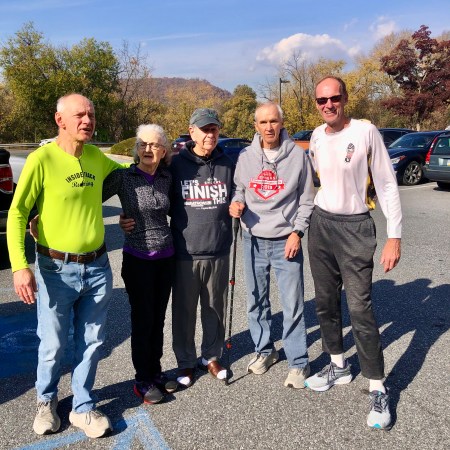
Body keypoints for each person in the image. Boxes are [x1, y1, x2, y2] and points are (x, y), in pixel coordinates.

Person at [7, 93, 124, 438]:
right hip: (55, 270)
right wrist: (19, 266)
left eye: (91, 114)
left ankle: (82, 407)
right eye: (79, 115)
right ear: (60, 120)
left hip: (98, 266)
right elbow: (17, 213)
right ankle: (46, 401)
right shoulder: (41, 159)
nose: (87, 120)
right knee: (53, 344)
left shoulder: (97, 158)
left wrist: (158, 156)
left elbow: (133, 176)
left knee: (92, 341)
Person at [303, 76, 402, 430]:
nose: (328, 104)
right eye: (321, 100)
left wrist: (394, 235)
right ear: (316, 103)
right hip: (321, 225)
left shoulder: (365, 132)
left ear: (345, 98)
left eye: (334, 98)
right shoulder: (316, 136)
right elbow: (315, 181)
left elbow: (386, 183)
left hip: (356, 227)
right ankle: (338, 365)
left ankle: (377, 386)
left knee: (360, 308)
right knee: (325, 303)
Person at [120, 108, 235, 388]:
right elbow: (151, 198)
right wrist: (127, 218)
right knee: (184, 312)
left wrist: (239, 203)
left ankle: (211, 356)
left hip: (219, 248)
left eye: (214, 129)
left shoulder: (228, 163)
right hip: (184, 250)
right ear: (192, 131)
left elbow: (241, 192)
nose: (210, 135)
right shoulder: (175, 166)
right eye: (204, 129)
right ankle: (186, 361)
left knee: (214, 308)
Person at [229, 102, 315, 389]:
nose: (269, 127)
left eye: (273, 121)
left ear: (282, 123)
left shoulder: (298, 156)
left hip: (286, 240)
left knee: (292, 304)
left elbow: (306, 200)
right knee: (256, 300)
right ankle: (265, 350)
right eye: (263, 122)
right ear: (256, 126)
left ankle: (298, 362)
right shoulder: (245, 156)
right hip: (252, 238)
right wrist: (236, 203)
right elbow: (239, 189)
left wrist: (298, 232)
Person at [101, 124, 177, 404]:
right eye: (143, 144)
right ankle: (142, 379)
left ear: (163, 151)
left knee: (158, 319)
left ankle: (156, 371)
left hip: (166, 258)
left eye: (154, 145)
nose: (148, 149)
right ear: (136, 149)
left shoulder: (167, 177)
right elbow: (88, 199)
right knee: (143, 320)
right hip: (138, 260)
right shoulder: (124, 177)